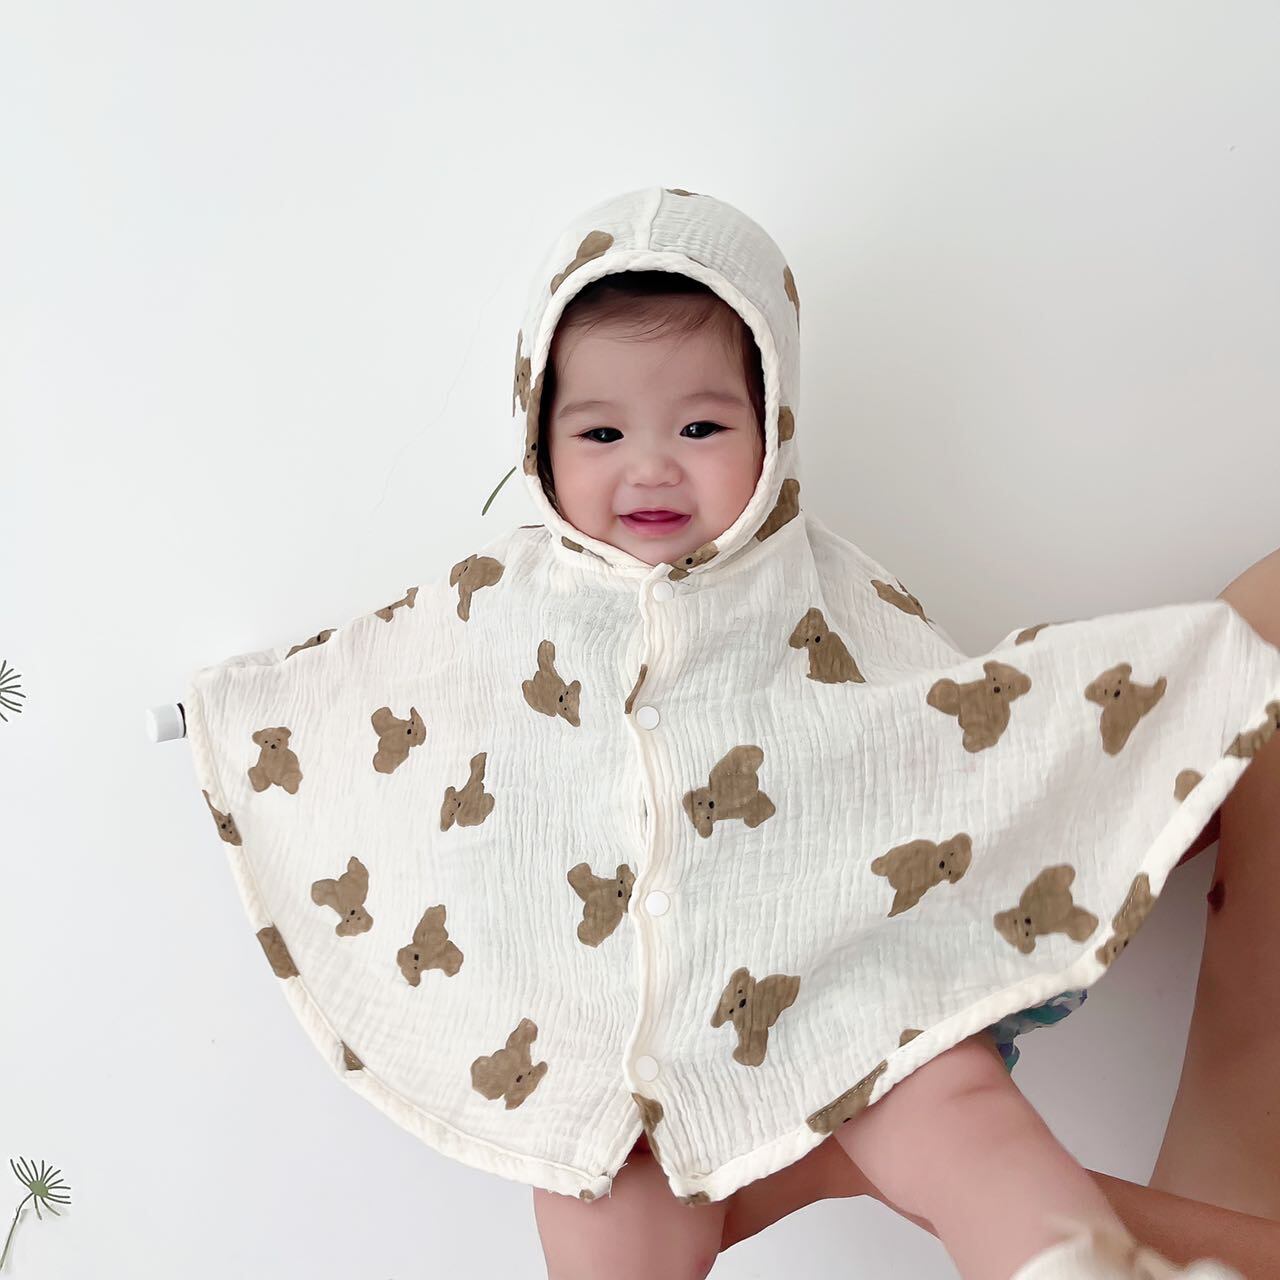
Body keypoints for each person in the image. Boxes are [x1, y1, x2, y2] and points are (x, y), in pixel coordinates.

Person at [185, 187, 1280, 1280]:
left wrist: (1168, 685)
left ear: (773, 424)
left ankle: (1073, 1264)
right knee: (599, 1209)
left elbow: (944, 737)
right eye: (602, 432)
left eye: (701, 428)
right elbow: (374, 682)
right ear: (538, 437)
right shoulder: (498, 603)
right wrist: (230, 712)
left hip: (844, 986)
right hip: (607, 1044)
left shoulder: (822, 590)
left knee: (961, 1112)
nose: (652, 465)